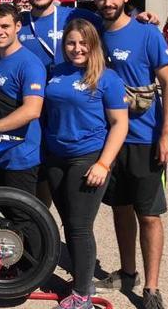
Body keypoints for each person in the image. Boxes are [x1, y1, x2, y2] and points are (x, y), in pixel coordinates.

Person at [91, 0, 168, 309]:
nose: (107, 2)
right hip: (111, 140)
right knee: (120, 209)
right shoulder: (93, 32)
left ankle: (152, 287)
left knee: (150, 215)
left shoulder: (147, 33)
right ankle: (127, 273)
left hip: (144, 139)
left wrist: (167, 135)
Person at [42, 19, 129, 309]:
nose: (77, 48)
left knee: (80, 226)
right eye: (71, 43)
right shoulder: (56, 72)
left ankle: (82, 295)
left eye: (83, 43)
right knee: (69, 222)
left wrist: (104, 164)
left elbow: (119, 124)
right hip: (56, 157)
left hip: (88, 157)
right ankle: (82, 278)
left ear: (93, 45)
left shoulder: (107, 78)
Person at [0, 3, 45, 196]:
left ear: (17, 27)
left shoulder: (29, 63)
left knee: (23, 220)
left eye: (5, 26)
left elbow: (32, 110)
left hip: (22, 157)